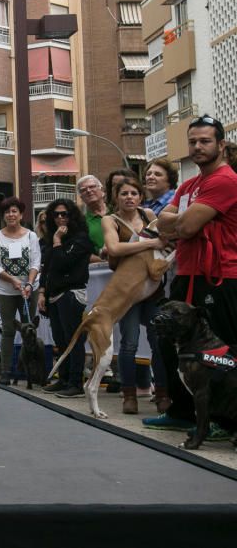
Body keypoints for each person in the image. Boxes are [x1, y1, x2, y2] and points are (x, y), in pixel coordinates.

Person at [144, 115, 237, 440]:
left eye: (205, 141)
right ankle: (183, 413)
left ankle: (224, 422)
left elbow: (181, 227)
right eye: (193, 141)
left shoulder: (224, 180)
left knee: (221, 355)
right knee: (176, 347)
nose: (197, 147)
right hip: (186, 275)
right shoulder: (189, 184)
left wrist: (178, 221)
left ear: (221, 145)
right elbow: (158, 223)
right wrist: (177, 221)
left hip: (220, 279)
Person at [101, 176, 168, 414]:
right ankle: (129, 395)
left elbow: (167, 241)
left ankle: (162, 393)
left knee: (159, 343)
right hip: (127, 291)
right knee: (128, 344)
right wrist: (150, 244)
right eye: (124, 193)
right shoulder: (110, 220)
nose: (129, 197)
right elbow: (115, 248)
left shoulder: (149, 216)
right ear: (115, 198)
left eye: (134, 193)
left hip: (152, 289)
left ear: (141, 196)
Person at [37, 199, 92, 398]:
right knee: (60, 340)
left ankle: (76, 383)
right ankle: (64, 378)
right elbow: (48, 268)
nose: (60, 217)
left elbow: (63, 263)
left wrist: (58, 242)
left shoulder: (81, 238)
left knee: (73, 340)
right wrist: (42, 292)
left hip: (71, 294)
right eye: (56, 214)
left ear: (72, 216)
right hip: (54, 295)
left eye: (64, 214)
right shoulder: (53, 239)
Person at [0, 197, 41, 386]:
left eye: (14, 211)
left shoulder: (31, 236)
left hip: (28, 290)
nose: (11, 215)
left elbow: (36, 262)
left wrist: (29, 284)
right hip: (5, 291)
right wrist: (12, 280)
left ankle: (33, 373)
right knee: (8, 330)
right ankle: (6, 371)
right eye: (7, 212)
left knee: (29, 330)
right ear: (3, 216)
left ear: (21, 214)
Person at [76, 175, 107, 262]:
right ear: (81, 197)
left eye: (92, 186)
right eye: (83, 190)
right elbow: (82, 252)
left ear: (102, 190)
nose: (89, 191)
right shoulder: (81, 223)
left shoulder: (117, 211)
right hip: (102, 268)